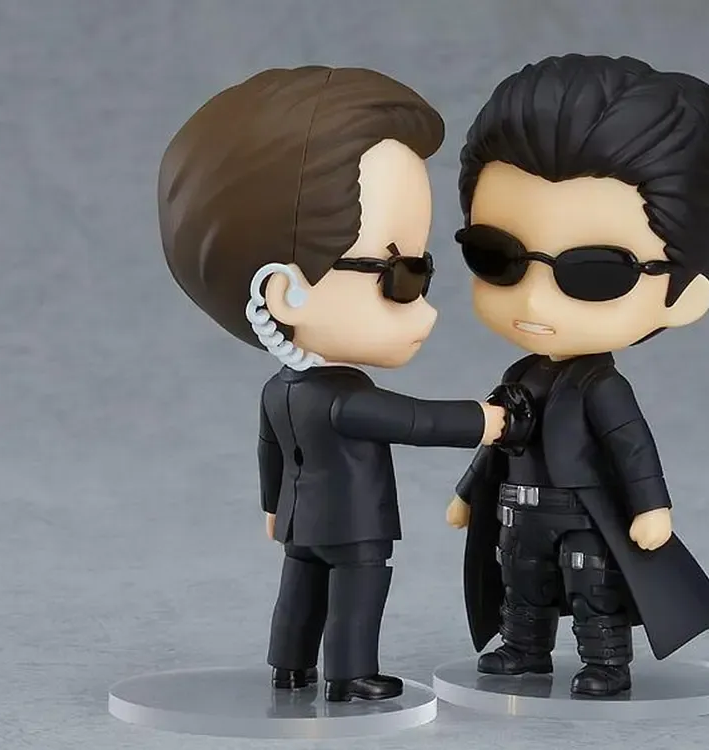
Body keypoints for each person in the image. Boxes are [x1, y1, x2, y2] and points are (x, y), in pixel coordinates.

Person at [158, 66, 512, 703]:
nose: (423, 305)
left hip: (301, 523)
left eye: (423, 272)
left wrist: (274, 509)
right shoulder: (346, 398)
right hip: (353, 527)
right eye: (398, 275)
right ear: (284, 293)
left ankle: (290, 669)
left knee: (298, 591)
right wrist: (484, 421)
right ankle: (349, 674)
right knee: (357, 592)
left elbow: (269, 452)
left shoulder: (279, 389)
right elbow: (414, 421)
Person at [445, 54, 709, 697]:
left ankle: (606, 662)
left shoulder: (603, 388)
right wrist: (470, 491)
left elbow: (631, 445)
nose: (534, 299)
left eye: (596, 273)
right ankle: (523, 649)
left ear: (686, 294)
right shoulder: (520, 371)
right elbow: (500, 437)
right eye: (496, 256)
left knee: (592, 587)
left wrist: (652, 506)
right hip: (518, 510)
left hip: (584, 514)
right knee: (521, 584)